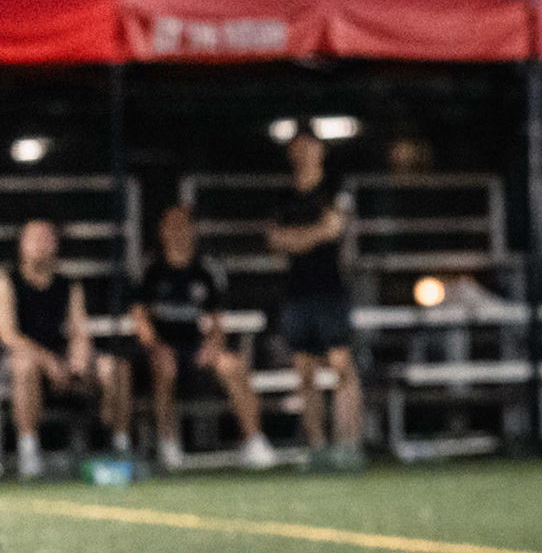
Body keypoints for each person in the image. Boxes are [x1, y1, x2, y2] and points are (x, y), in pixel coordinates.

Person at [131, 204, 274, 471]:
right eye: (171, 225)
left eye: (183, 225)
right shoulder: (150, 268)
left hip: (196, 345)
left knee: (233, 364)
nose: (177, 231)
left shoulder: (206, 268)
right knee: (164, 366)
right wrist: (157, 347)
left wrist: (212, 344)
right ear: (161, 231)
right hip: (163, 347)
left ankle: (254, 440)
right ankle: (168, 443)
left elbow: (217, 319)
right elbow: (140, 317)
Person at [0, 219, 131, 478]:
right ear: (21, 245)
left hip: (61, 360)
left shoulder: (68, 285)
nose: (40, 244)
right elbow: (8, 334)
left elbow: (78, 329)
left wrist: (79, 356)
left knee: (116, 367)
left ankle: (119, 445)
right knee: (24, 366)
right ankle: (29, 450)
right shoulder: (7, 282)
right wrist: (46, 361)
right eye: (34, 238)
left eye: (47, 238)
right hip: (22, 361)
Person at [267, 130, 364, 467]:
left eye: (309, 147)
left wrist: (298, 237)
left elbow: (333, 229)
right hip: (297, 291)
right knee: (304, 371)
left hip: (331, 288)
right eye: (297, 148)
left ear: (320, 150)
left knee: (340, 366)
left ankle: (349, 443)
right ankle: (317, 446)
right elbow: (275, 240)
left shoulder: (335, 189)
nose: (303, 153)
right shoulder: (283, 196)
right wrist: (313, 235)